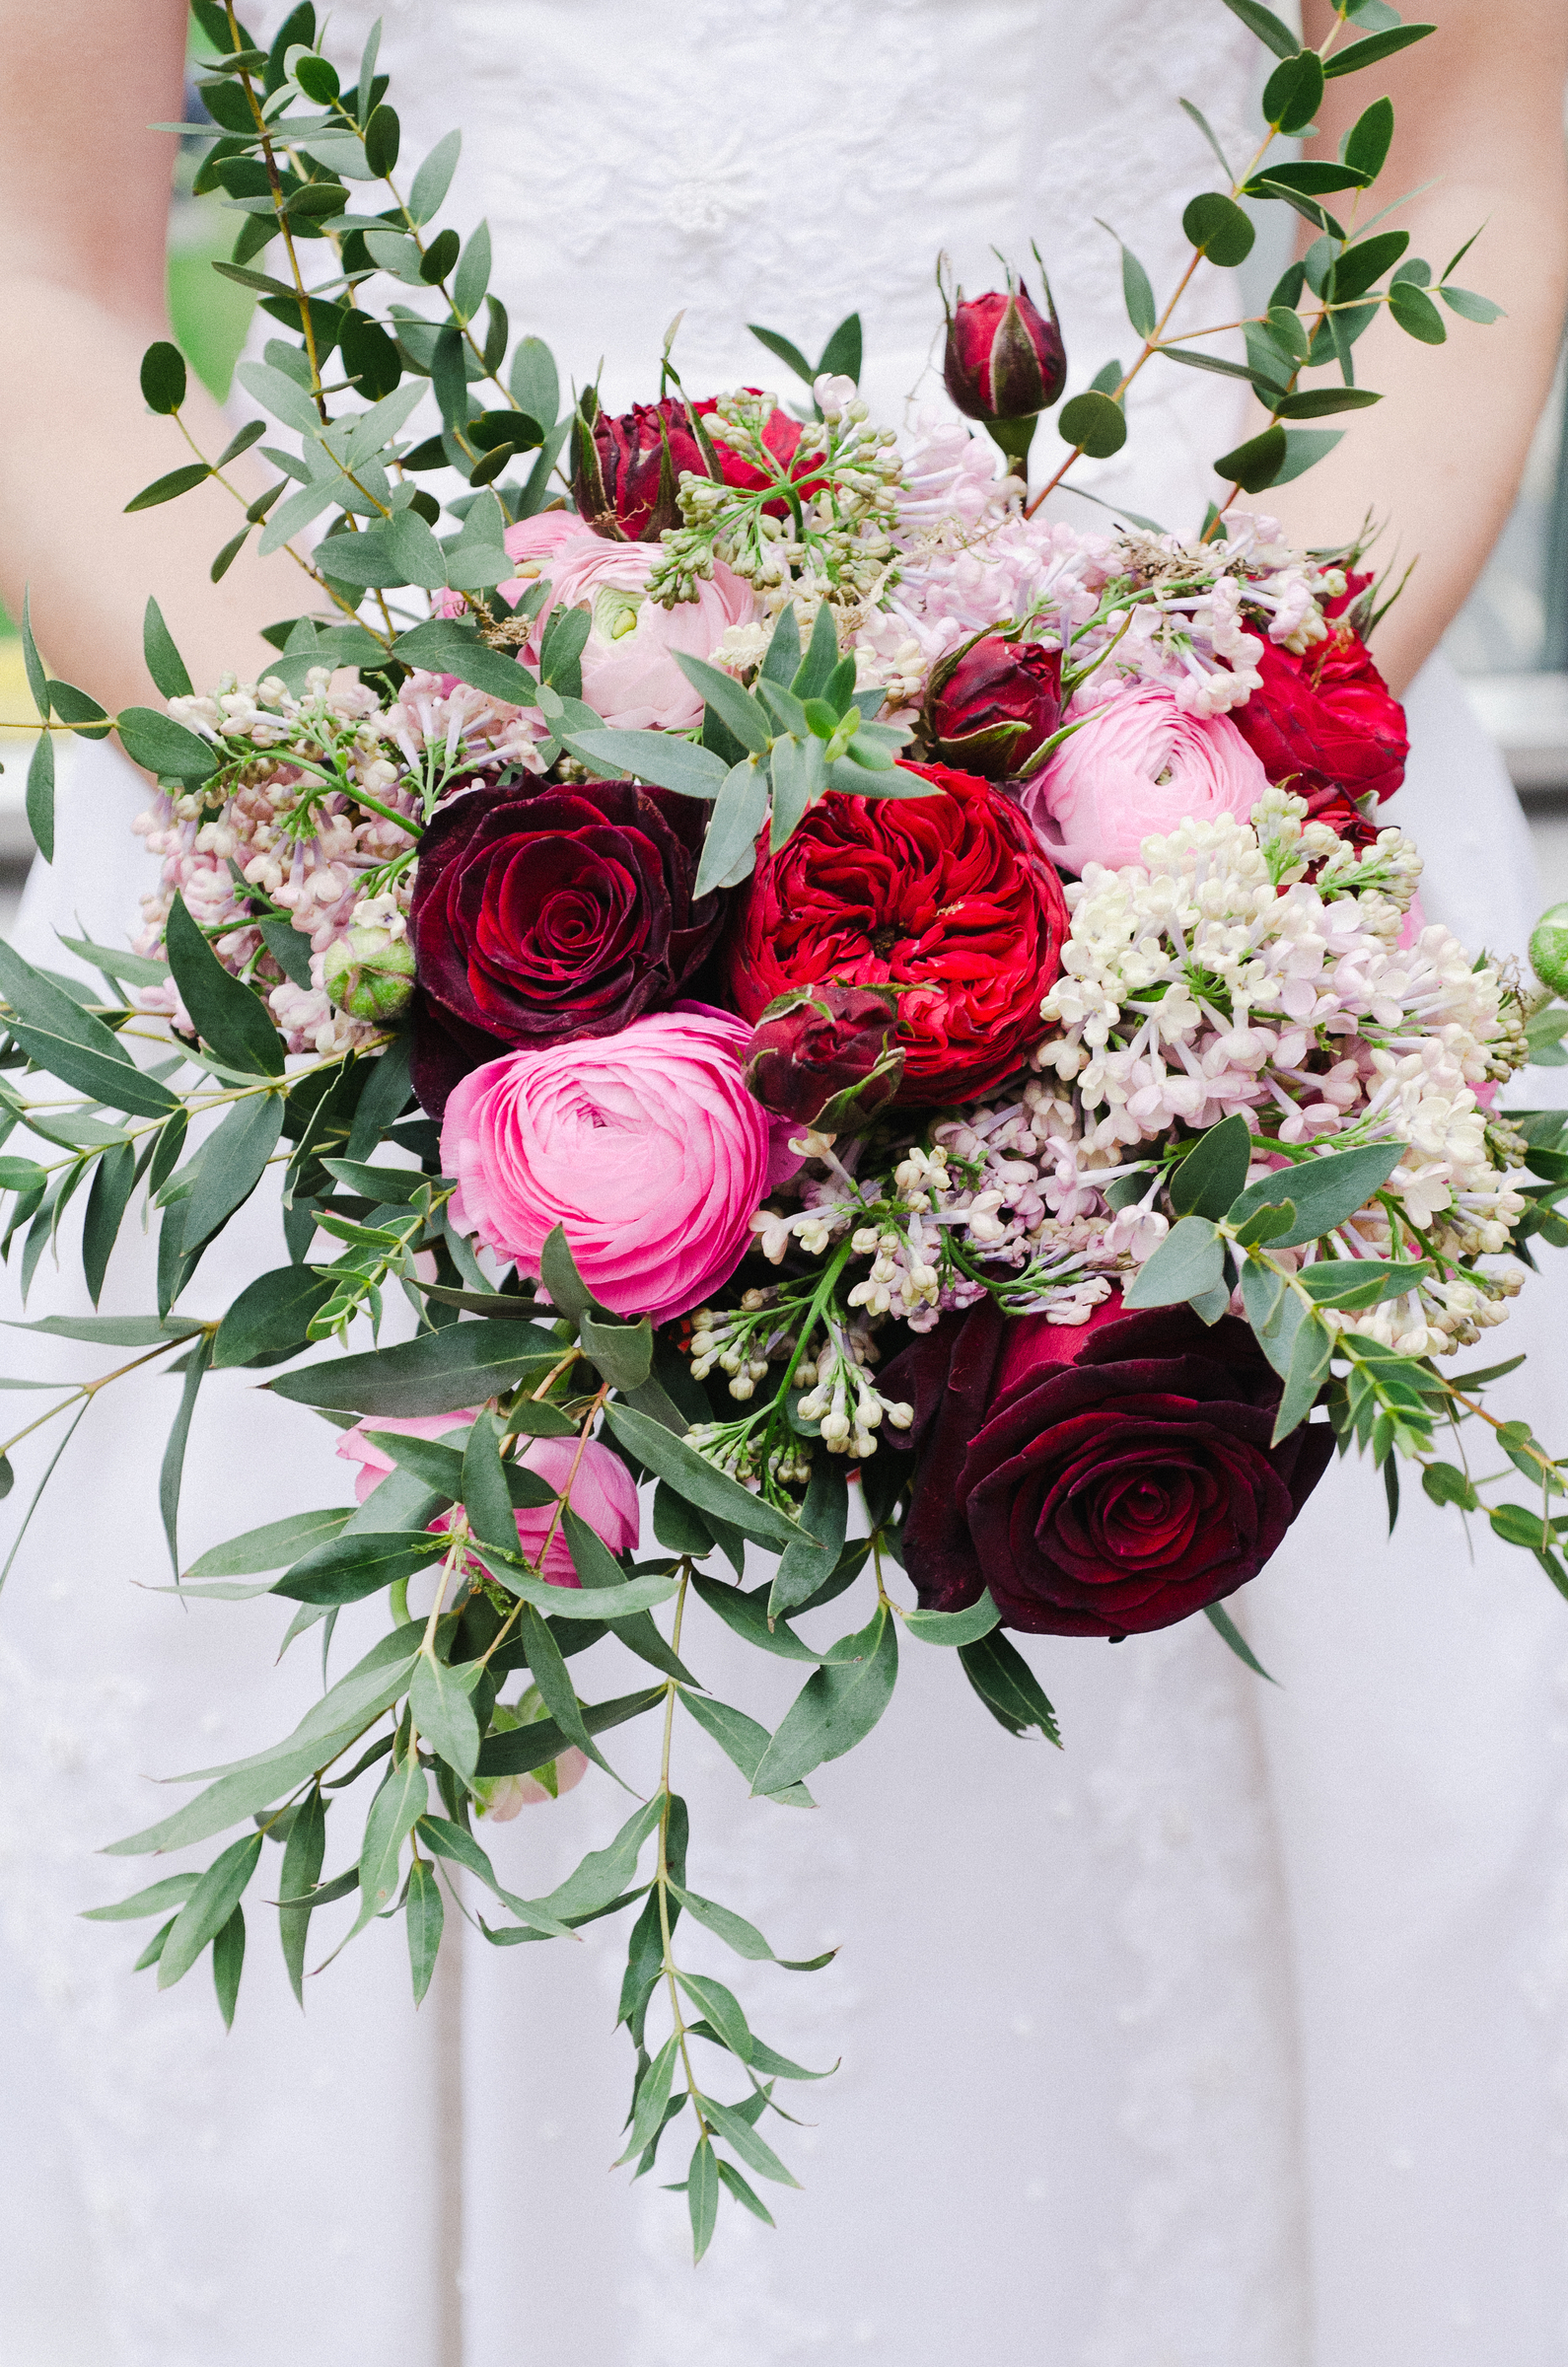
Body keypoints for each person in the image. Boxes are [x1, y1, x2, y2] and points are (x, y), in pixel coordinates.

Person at [0, 4, 1565, 2362]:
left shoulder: (1175, 849)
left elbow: (1464, 172)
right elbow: (46, 266)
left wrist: (1154, 834)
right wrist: (397, 848)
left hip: (1179, 827)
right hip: (369, 791)